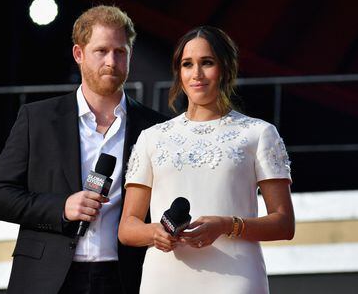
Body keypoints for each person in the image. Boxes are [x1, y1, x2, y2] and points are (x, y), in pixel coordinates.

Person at [0, 5, 166, 294]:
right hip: (47, 279)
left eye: (121, 52)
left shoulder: (156, 127)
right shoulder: (38, 119)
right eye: (101, 51)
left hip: (125, 278)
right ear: (79, 54)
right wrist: (62, 207)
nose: (111, 61)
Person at [118, 26, 295, 294]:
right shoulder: (151, 138)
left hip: (236, 278)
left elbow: (284, 223)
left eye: (207, 63)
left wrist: (226, 225)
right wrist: (156, 233)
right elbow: (127, 228)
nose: (197, 74)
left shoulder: (258, 133)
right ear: (179, 72)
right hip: (164, 280)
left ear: (224, 68)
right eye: (188, 65)